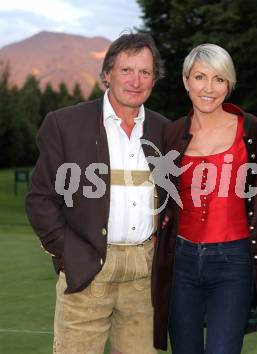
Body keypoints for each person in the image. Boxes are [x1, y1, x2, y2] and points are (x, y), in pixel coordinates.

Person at [26, 32, 168, 354]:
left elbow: (172, 196)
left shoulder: (164, 130)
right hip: (87, 272)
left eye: (145, 72)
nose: (136, 80)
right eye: (126, 70)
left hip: (144, 278)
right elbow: (40, 198)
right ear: (107, 74)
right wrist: (67, 252)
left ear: (154, 79)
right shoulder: (65, 124)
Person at [151, 43, 257, 354]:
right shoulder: (171, 133)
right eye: (200, 77)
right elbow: (163, 194)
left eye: (219, 79)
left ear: (229, 84)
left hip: (233, 261)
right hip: (181, 260)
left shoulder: (253, 130)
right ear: (185, 80)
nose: (209, 88)